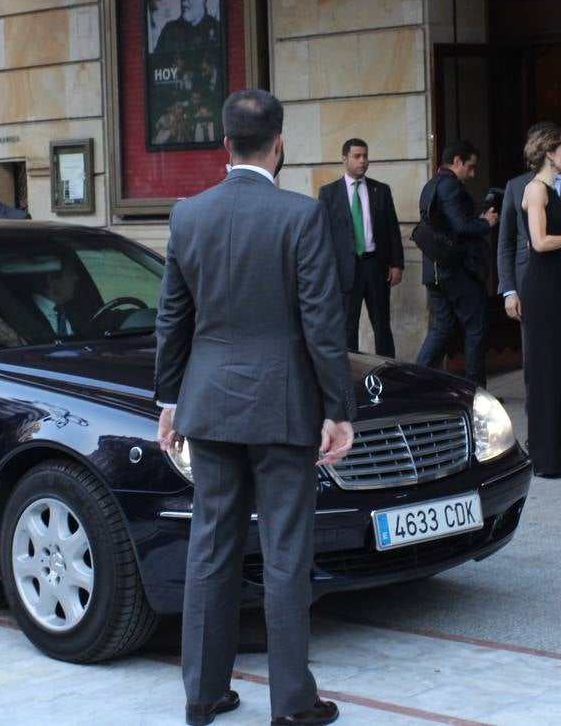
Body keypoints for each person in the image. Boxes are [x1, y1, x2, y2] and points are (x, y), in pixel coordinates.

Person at [154, 89, 354, 726]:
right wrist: (338, 408)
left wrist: (168, 401)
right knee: (286, 550)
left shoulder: (188, 214)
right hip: (283, 405)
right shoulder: (301, 216)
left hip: (208, 403)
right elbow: (323, 322)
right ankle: (292, 703)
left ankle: (203, 695)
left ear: (224, 144)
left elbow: (172, 320)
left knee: (210, 546)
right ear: (280, 144)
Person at [498, 122, 561, 447]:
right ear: (548, 153)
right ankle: (540, 431)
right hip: (536, 285)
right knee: (538, 362)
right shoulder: (520, 187)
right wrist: (509, 290)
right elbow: (508, 242)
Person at [416, 140, 499, 386]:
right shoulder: (450, 186)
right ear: (457, 162)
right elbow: (461, 226)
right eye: (470, 167)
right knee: (476, 328)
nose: (472, 174)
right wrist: (486, 223)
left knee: (443, 326)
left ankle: (418, 380)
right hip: (455, 271)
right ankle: (475, 390)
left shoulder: (430, 185)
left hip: (434, 271)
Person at [318, 138, 404, 357]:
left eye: (365, 156)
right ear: (344, 159)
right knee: (347, 327)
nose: (362, 161)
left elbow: (392, 228)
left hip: (375, 265)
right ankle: (350, 378)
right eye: (357, 156)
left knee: (382, 326)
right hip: (346, 269)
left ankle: (389, 375)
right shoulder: (329, 193)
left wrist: (397, 264)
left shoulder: (380, 190)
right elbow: (323, 234)